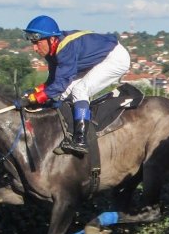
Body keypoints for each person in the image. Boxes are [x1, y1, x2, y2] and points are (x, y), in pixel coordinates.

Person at [21, 15, 131, 155]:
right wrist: (34, 91)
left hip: (115, 58)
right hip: (97, 59)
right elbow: (53, 81)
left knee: (79, 90)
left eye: (37, 43)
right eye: (32, 43)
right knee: (64, 94)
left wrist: (34, 99)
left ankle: (81, 140)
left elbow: (59, 85)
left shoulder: (65, 49)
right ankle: (68, 133)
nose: (35, 48)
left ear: (52, 39)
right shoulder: (51, 50)